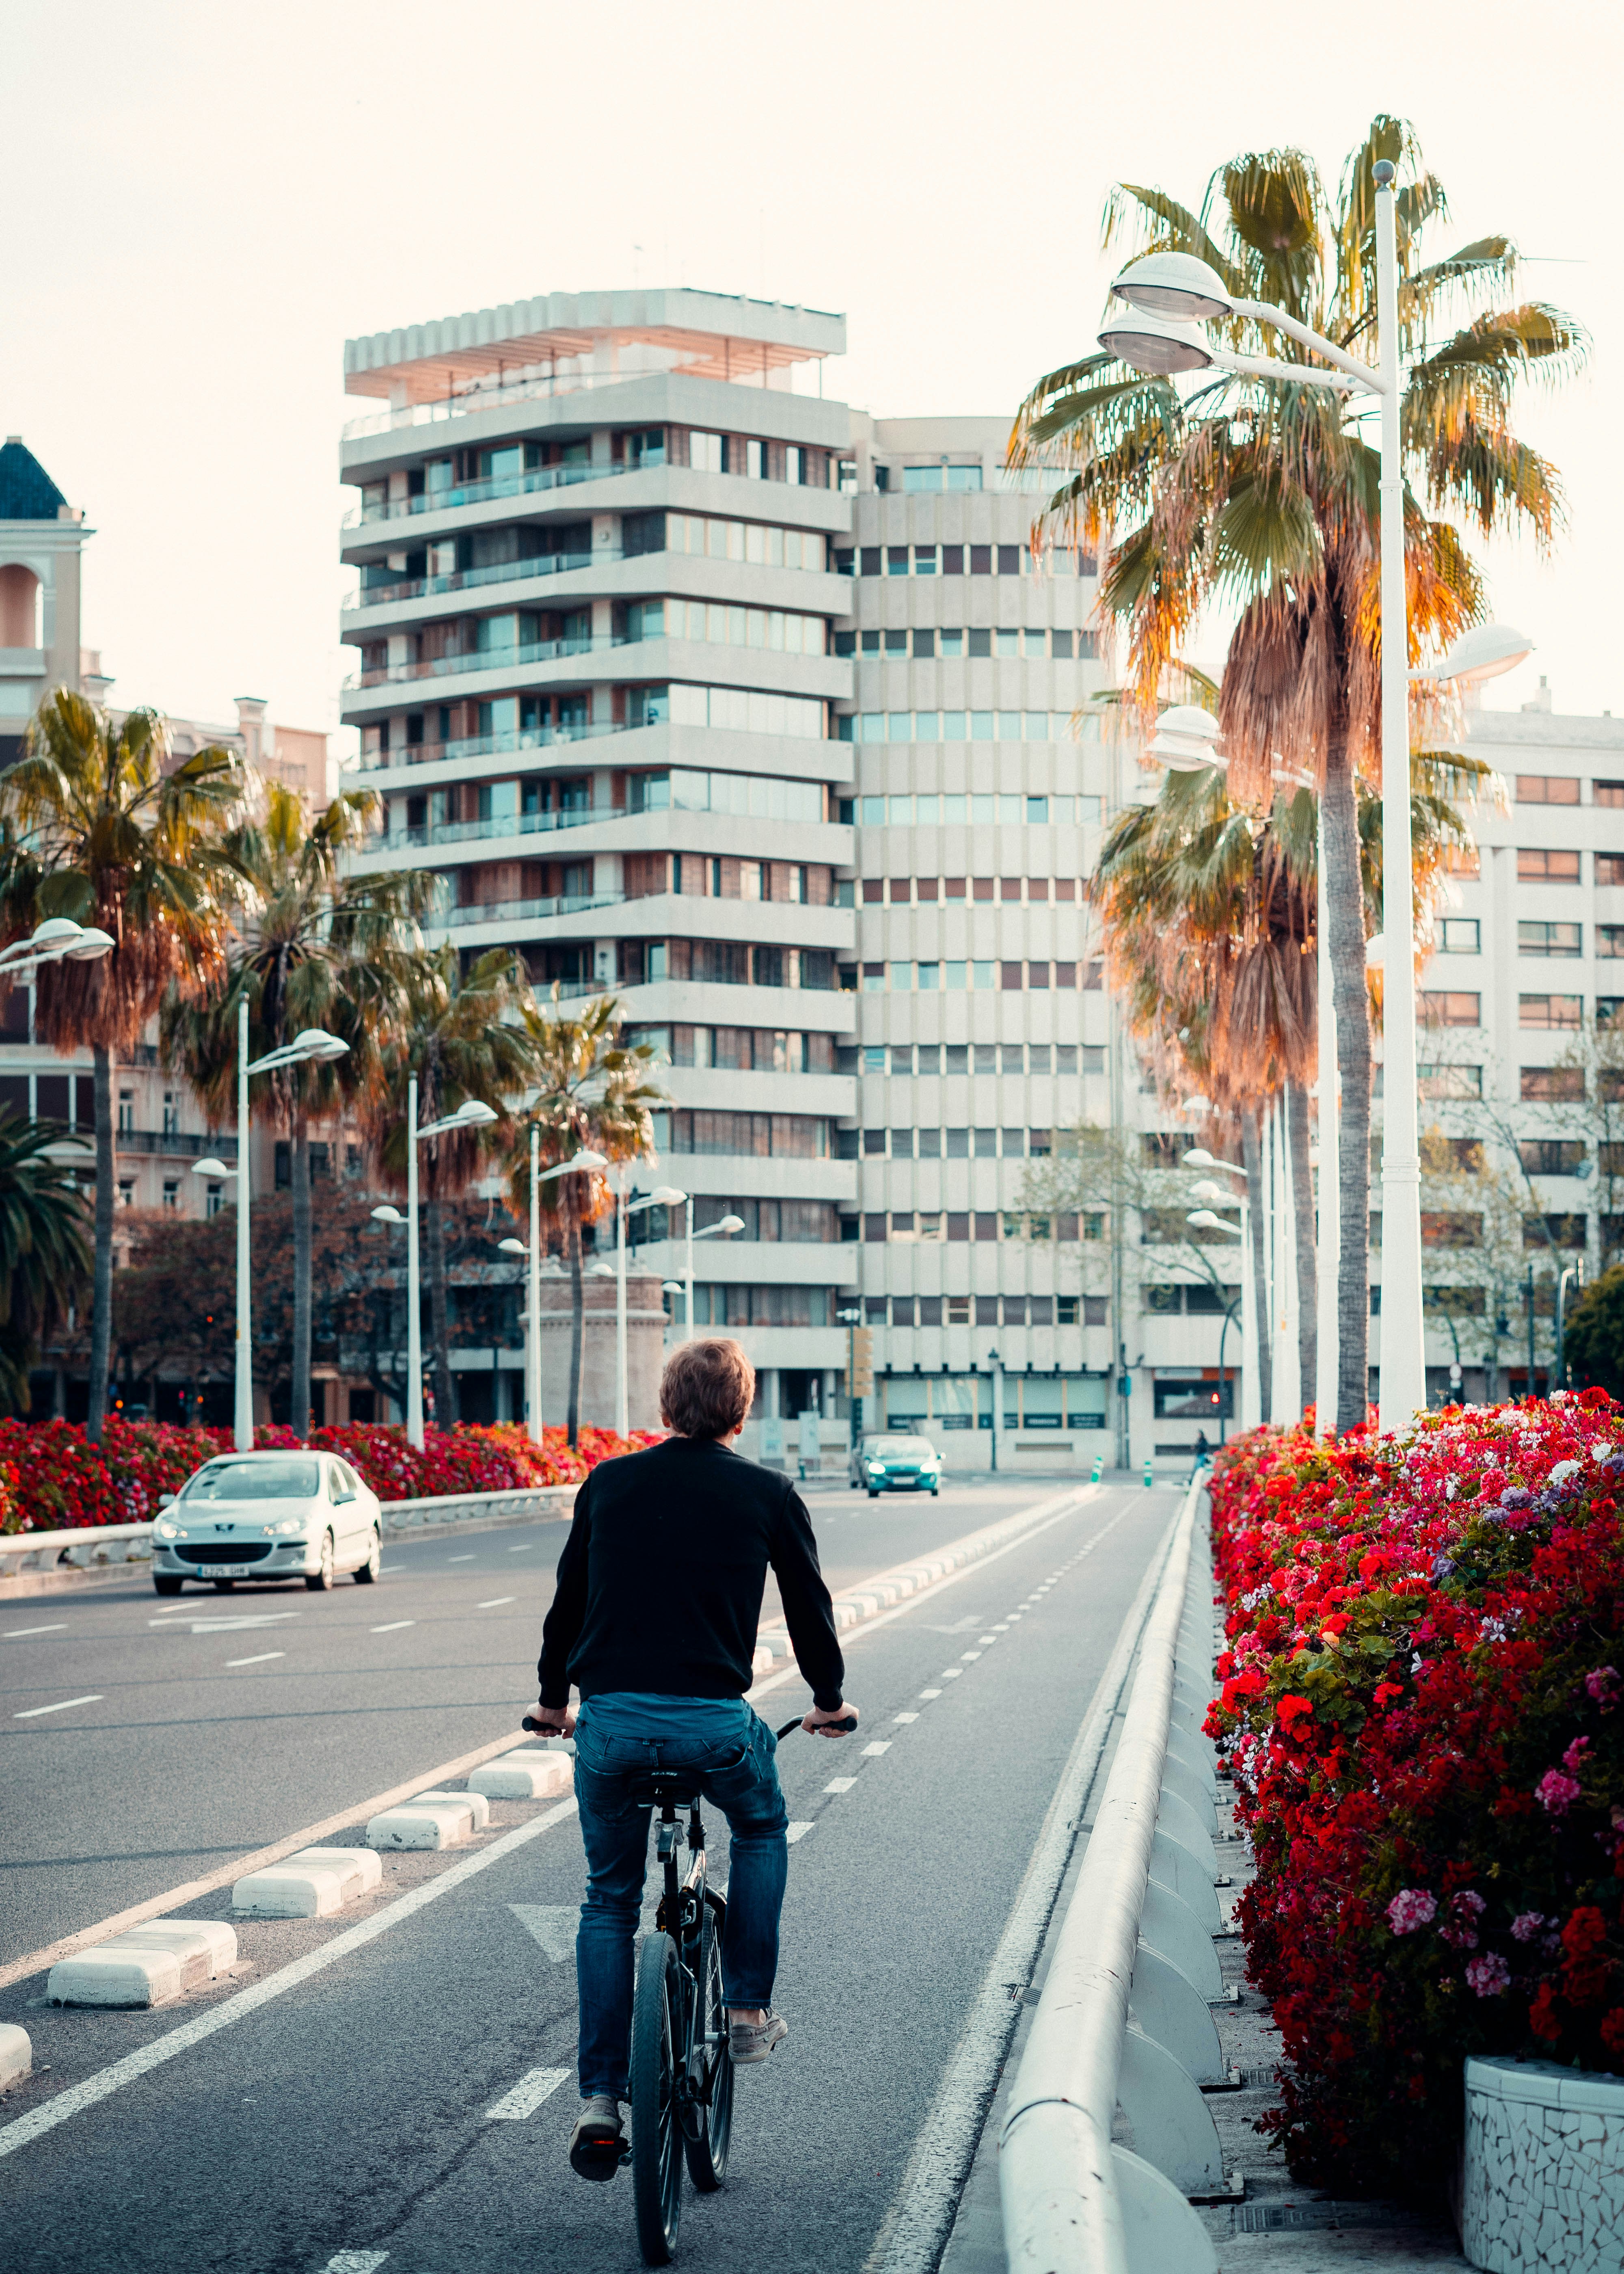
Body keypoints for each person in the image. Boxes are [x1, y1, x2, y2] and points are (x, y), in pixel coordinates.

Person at [530, 1336, 859, 2182]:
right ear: (741, 1411)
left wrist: (554, 1701)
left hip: (611, 1727)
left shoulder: (608, 1483)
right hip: (714, 1728)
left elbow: (568, 1602)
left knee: (609, 1899)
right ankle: (745, 2010)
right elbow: (810, 1605)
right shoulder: (768, 1492)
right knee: (761, 1827)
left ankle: (600, 2100)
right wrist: (827, 1698)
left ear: (666, 1405)